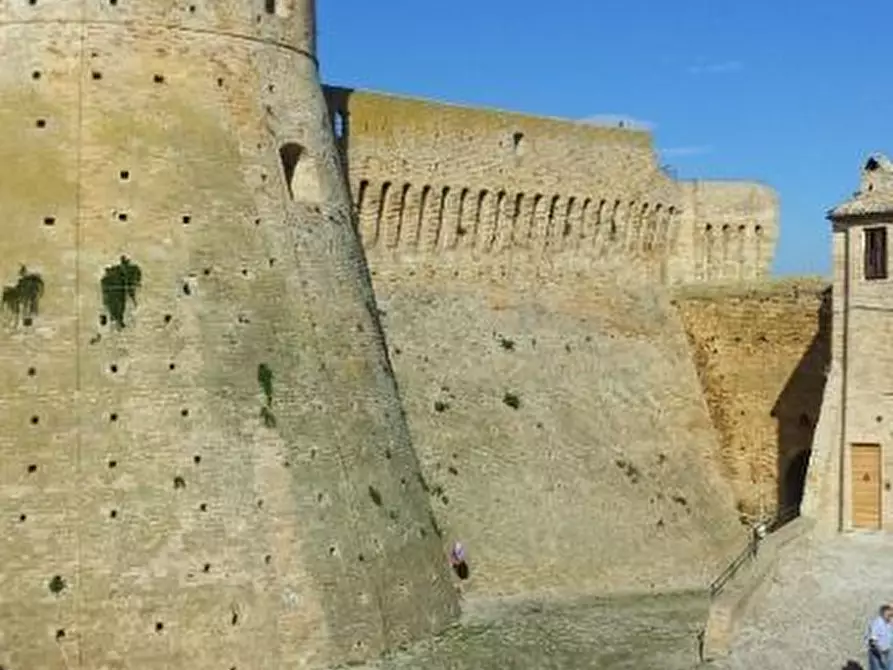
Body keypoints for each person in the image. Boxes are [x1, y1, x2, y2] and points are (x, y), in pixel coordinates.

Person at [866, 604, 893, 670]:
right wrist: (879, 654)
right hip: (877, 653)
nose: (891, 617)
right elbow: (872, 641)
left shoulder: (888, 623)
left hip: (887, 652)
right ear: (883, 613)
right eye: (889, 615)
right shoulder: (877, 623)